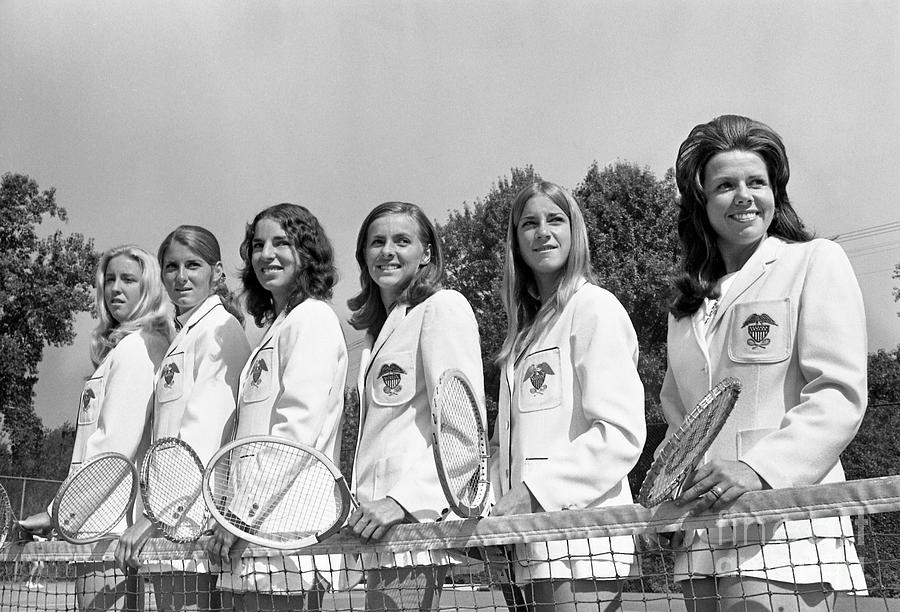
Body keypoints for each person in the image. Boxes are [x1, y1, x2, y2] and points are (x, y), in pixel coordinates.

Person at [662, 114, 867, 611]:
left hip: (785, 535)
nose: (743, 196)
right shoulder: (685, 307)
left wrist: (759, 469)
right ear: (702, 203)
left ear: (776, 192)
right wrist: (667, 499)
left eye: (756, 181)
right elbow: (678, 419)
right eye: (725, 185)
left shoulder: (814, 261)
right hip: (702, 542)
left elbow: (838, 395)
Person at [489, 181, 646, 612]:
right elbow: (509, 445)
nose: (543, 232)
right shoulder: (520, 335)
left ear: (574, 231)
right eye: (529, 224)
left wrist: (534, 494)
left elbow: (619, 434)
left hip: (581, 544)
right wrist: (495, 506)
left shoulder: (595, 308)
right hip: (526, 542)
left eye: (555, 220)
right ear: (516, 241)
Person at [204, 204, 348, 612]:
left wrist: (242, 518)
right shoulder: (279, 326)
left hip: (286, 540)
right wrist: (235, 516)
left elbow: (294, 431)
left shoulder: (313, 319)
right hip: (255, 536)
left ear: (307, 252)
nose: (267, 254)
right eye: (258, 245)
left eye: (281, 242)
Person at [346, 201, 485, 612]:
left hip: (412, 527)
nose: (387, 251)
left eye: (401, 241)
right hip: (375, 529)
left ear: (426, 253)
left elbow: (464, 429)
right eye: (376, 242)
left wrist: (403, 501)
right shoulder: (380, 330)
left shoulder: (443, 308)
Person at [19, 244, 173, 611]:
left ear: (148, 287)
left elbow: (110, 451)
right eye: (110, 279)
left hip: (107, 532)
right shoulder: (126, 349)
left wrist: (59, 514)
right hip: (104, 528)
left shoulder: (135, 350)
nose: (116, 288)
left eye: (129, 280)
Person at [114, 226, 251, 611]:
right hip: (164, 525)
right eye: (171, 266)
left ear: (217, 272)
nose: (181, 276)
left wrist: (159, 519)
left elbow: (203, 438)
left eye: (193, 265)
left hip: (187, 527)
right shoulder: (185, 333)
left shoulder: (220, 330)